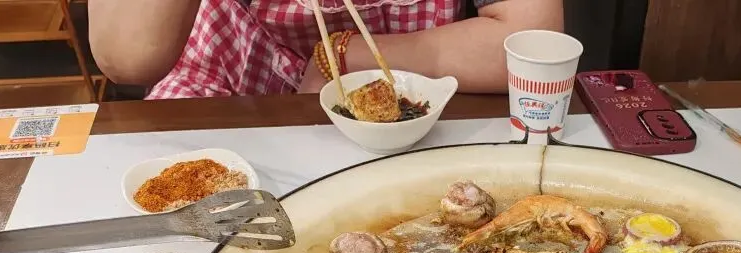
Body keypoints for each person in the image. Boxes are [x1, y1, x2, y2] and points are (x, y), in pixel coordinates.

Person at [88, 0, 564, 100]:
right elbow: (127, 56)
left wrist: (341, 56)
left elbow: (533, 41)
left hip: (413, 79)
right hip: (245, 77)